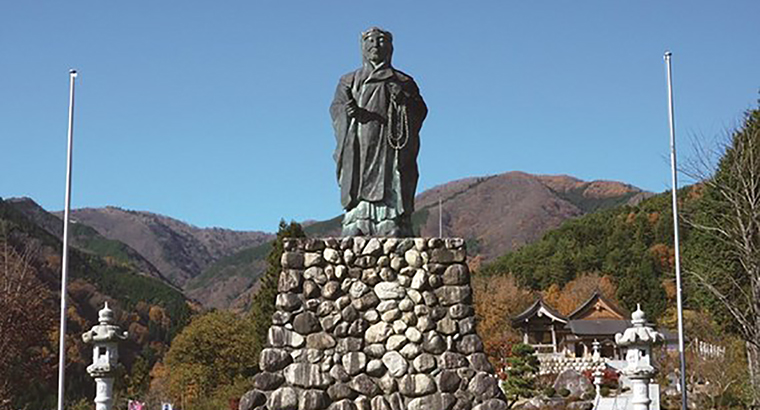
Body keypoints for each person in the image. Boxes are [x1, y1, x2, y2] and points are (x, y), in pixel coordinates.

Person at [330, 27, 427, 237]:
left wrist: (404, 101)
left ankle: (391, 219)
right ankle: (358, 217)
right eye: (370, 41)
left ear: (390, 47)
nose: (375, 45)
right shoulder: (349, 80)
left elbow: (421, 110)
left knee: (391, 174)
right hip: (359, 139)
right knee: (358, 174)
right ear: (362, 46)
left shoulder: (403, 81)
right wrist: (347, 112)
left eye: (381, 41)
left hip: (390, 141)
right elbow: (336, 108)